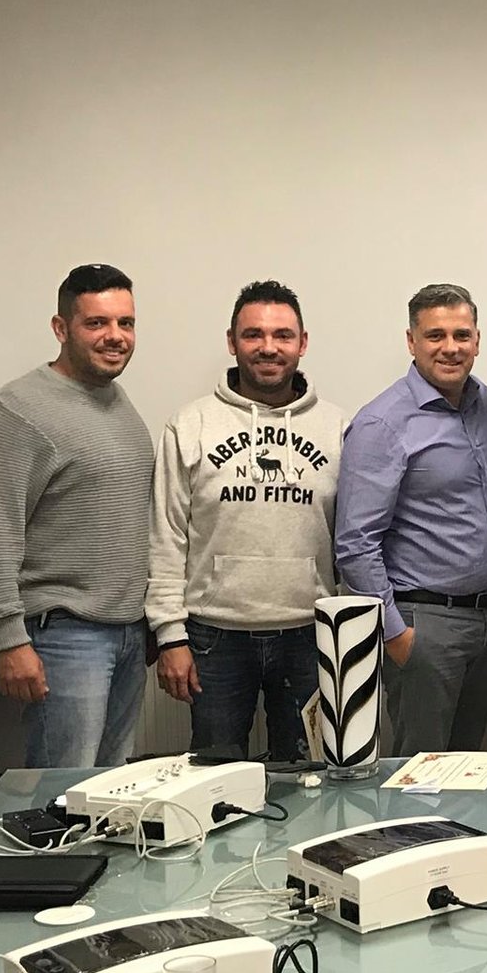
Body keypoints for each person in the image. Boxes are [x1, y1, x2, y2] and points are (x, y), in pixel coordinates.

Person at [0, 264, 154, 769]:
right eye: (97, 323)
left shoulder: (114, 400)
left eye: (126, 323)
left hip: (128, 632)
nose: (115, 336)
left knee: (109, 793)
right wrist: (8, 640)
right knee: (62, 794)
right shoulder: (16, 411)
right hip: (65, 636)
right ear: (61, 327)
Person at [148, 281, 347, 759]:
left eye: (282, 335)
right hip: (214, 638)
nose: (268, 347)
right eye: (253, 334)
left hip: (309, 635)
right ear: (232, 342)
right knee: (215, 777)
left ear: (302, 343)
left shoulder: (340, 428)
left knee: (308, 777)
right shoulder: (190, 425)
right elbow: (166, 535)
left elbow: (355, 539)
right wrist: (170, 636)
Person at [336, 284, 487, 759]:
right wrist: (396, 634)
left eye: (461, 335)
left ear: (477, 340)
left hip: (486, 621)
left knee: (469, 770)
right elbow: (355, 543)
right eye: (435, 335)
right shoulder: (382, 423)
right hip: (423, 626)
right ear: (411, 341)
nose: (450, 347)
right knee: (420, 778)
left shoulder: (483, 404)